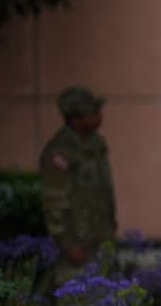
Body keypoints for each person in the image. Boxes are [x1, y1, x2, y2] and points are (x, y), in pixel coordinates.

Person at [40, 85, 116, 277]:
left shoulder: (96, 145)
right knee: (76, 301)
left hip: (101, 238)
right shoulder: (60, 152)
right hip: (78, 245)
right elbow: (54, 201)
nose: (98, 116)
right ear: (75, 119)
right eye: (91, 112)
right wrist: (68, 244)